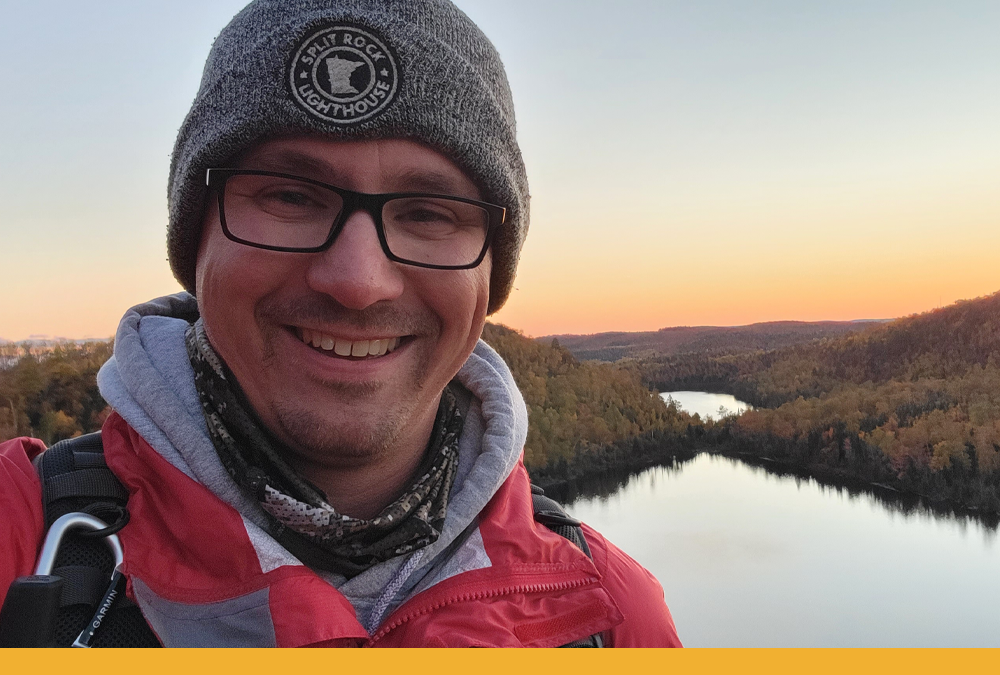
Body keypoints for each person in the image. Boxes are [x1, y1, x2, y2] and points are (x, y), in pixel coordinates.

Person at [0, 0, 681, 647]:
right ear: (196, 239)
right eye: (291, 195)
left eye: (427, 212)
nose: (358, 282)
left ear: (489, 272)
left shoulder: (612, 619)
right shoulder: (21, 537)